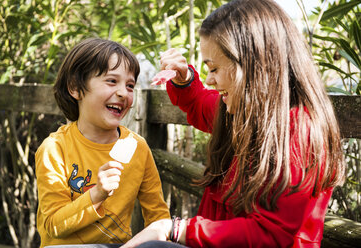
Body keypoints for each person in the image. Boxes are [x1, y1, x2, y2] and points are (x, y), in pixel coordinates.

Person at [122, 0, 345, 247]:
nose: (210, 80)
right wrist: (184, 79)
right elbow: (198, 102)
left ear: (253, 65)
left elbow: (272, 235)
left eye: (214, 68)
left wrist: (175, 228)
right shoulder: (239, 113)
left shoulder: (300, 131)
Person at [36, 38, 170, 248]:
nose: (123, 93)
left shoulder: (138, 147)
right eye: (111, 81)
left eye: (130, 85)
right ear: (75, 88)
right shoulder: (54, 149)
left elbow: (159, 218)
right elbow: (53, 225)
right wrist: (96, 194)